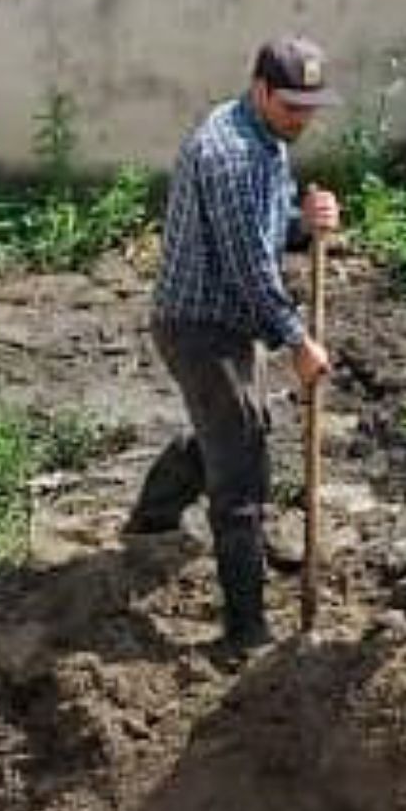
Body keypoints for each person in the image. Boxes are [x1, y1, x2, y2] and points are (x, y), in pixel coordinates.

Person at [124, 36, 338, 661]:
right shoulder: (231, 155)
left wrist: (307, 224)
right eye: (292, 105)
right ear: (261, 89)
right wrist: (297, 340)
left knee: (235, 427)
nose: (303, 118)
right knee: (241, 464)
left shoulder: (266, 139)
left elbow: (268, 232)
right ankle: (246, 632)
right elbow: (251, 270)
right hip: (197, 325)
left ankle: (153, 520)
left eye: (311, 107)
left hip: (228, 315)